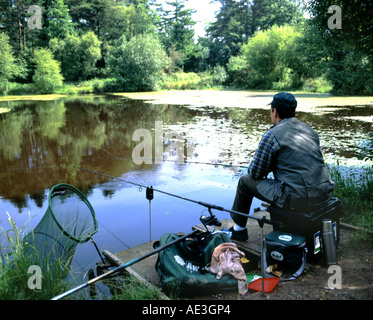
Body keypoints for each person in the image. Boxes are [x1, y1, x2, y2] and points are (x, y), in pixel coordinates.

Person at [228, 92, 335, 241]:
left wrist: (270, 166)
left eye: (271, 110)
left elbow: (255, 173)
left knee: (245, 181)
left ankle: (238, 230)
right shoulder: (309, 130)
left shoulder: (271, 135)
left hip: (298, 198)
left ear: (275, 111)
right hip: (324, 192)